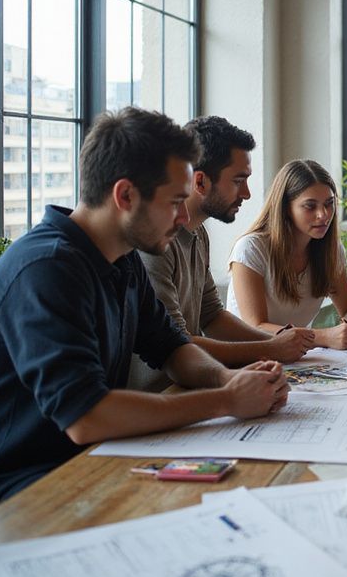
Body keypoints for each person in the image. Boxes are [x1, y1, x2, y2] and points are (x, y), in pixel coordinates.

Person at [0, 108, 289, 508]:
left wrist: (226, 379)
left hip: (96, 460)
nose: (185, 217)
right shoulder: (46, 269)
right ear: (125, 196)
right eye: (175, 202)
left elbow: (170, 346)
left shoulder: (123, 256)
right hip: (22, 487)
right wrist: (226, 401)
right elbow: (87, 416)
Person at [130, 116, 314, 390]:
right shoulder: (154, 242)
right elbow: (179, 341)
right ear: (201, 182)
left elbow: (212, 315)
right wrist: (272, 348)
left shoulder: (198, 233)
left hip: (192, 385)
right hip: (160, 396)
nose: (248, 193)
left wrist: (272, 343)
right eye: (239, 180)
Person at [227, 159, 347, 349]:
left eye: (329, 203)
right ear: (285, 208)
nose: (323, 214)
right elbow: (255, 327)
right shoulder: (251, 248)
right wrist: (322, 337)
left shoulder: (331, 248)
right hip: (246, 359)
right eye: (310, 206)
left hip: (296, 357)